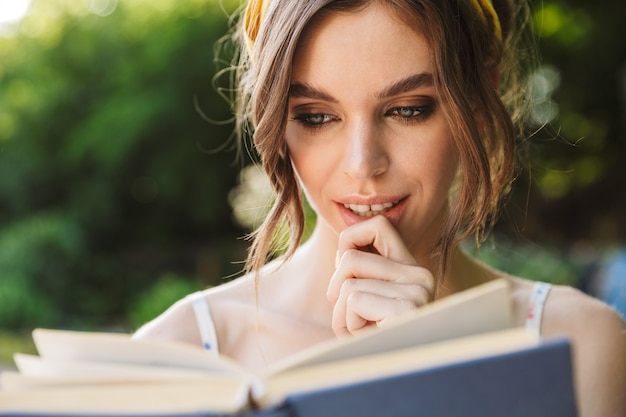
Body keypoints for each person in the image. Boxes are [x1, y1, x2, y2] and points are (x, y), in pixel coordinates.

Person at [134, 1, 626, 415]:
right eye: (316, 116)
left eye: (408, 109)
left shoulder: (576, 344)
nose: (362, 164)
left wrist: (439, 380)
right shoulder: (174, 353)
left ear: (479, 100)